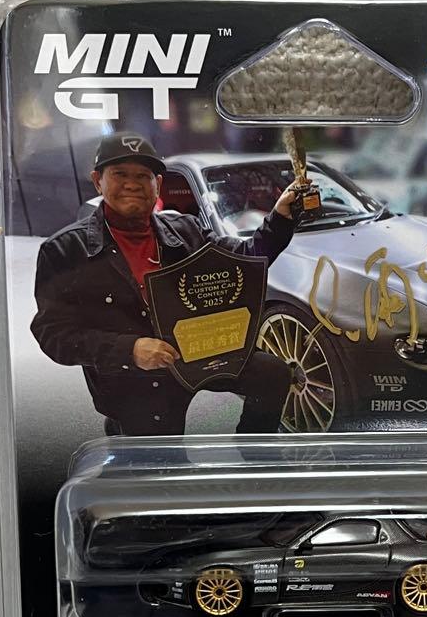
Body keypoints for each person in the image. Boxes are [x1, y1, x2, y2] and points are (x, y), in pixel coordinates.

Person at [31, 132, 300, 436]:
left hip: (197, 352)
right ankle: (123, 431)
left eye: (143, 176)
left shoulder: (186, 230)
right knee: (161, 459)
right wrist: (130, 350)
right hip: (134, 378)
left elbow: (245, 259)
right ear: (97, 181)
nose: (132, 184)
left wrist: (280, 219)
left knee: (272, 374)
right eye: (120, 174)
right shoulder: (65, 250)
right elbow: (53, 335)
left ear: (157, 184)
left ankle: (253, 454)